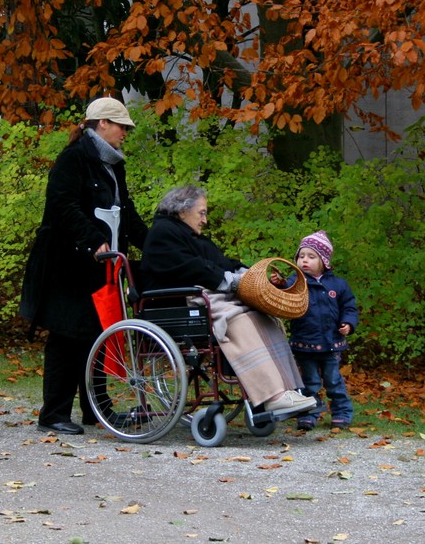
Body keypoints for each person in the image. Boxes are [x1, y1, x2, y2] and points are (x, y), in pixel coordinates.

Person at [20, 97, 148, 435]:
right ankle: (53, 414)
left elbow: (126, 212)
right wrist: (92, 240)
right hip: (66, 264)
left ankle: (97, 410)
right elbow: (62, 205)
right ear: (102, 124)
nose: (125, 133)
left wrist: (154, 245)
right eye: (122, 126)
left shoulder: (112, 165)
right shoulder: (73, 158)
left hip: (99, 267)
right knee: (66, 336)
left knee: (95, 336)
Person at [139, 185, 317, 416]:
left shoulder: (188, 234)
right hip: (176, 302)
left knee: (263, 316)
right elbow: (190, 268)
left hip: (198, 296)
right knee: (238, 318)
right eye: (201, 212)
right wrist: (233, 281)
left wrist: (249, 274)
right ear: (182, 211)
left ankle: (288, 389)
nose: (205, 219)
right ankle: (273, 395)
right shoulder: (163, 233)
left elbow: (221, 261)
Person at [272, 230, 358, 431]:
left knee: (334, 381)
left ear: (324, 261)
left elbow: (350, 306)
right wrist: (279, 284)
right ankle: (309, 414)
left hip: (331, 344)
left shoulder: (338, 285)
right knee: (309, 383)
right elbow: (283, 296)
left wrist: (348, 322)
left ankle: (342, 413)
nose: (305, 261)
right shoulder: (295, 282)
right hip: (305, 343)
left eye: (311, 257)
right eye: (301, 256)